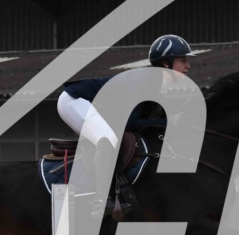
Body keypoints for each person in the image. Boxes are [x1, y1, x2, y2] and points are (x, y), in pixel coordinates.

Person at [57, 34, 196, 215]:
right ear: (166, 63)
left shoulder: (157, 84)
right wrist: (170, 121)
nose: (188, 66)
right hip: (75, 101)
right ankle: (99, 201)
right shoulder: (147, 81)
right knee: (107, 139)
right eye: (183, 61)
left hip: (91, 105)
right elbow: (131, 123)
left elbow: (146, 123)